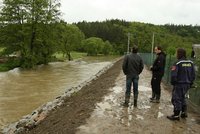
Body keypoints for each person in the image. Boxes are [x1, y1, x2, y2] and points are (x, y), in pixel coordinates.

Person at [167, 48, 195, 121]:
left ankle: (176, 115)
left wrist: (173, 83)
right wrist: (190, 83)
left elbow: (173, 75)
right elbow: (193, 74)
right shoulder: (191, 63)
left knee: (176, 99)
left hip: (179, 84)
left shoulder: (177, 63)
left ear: (179, 53)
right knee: (183, 98)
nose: (176, 54)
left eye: (176, 53)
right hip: (187, 84)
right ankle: (183, 112)